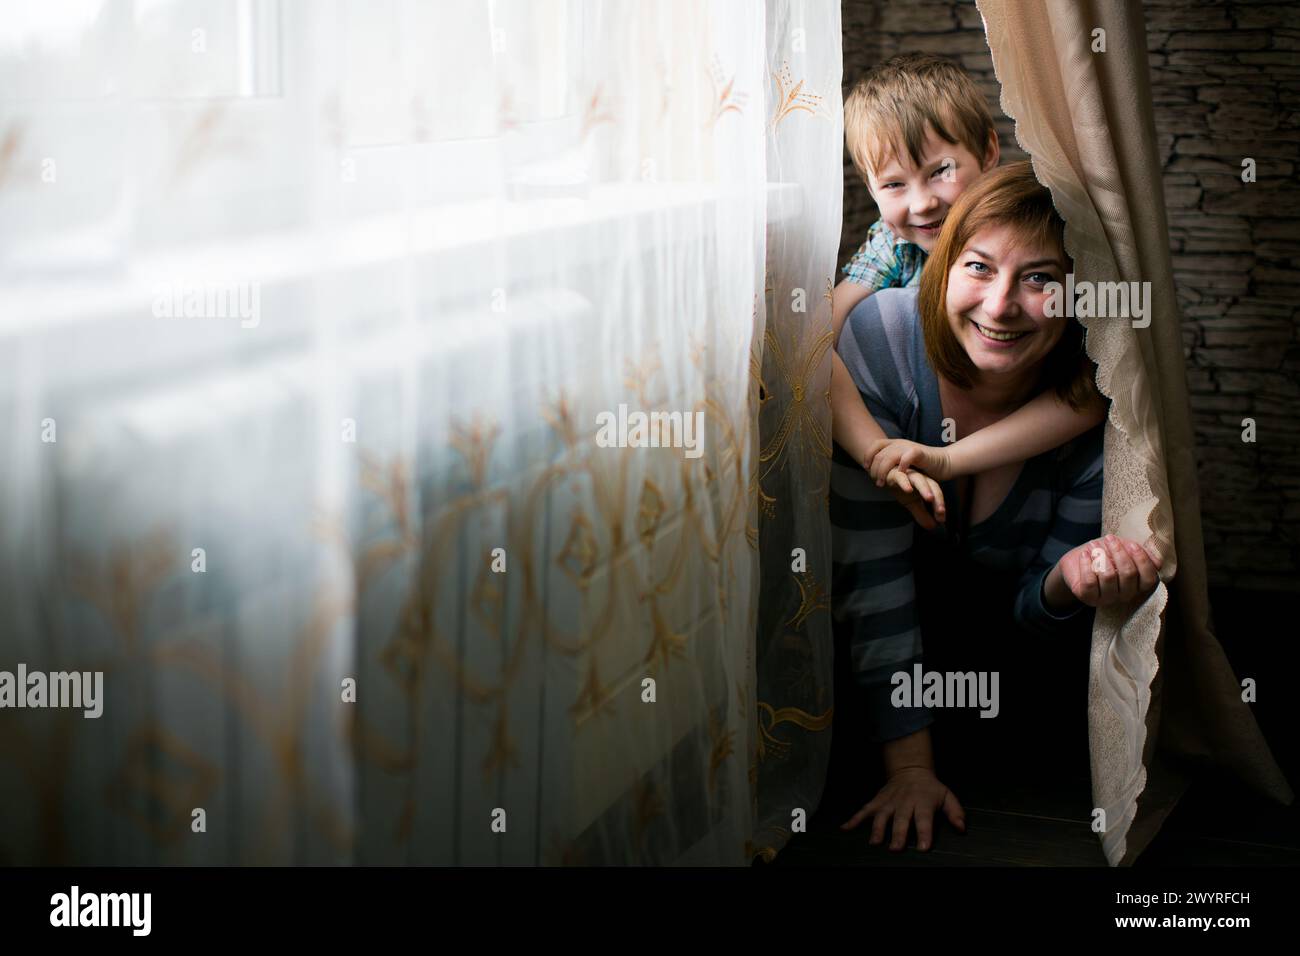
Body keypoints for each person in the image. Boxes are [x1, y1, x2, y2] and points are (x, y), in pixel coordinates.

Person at [830, 162, 1163, 851]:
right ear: (944, 265)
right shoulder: (882, 341)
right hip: (859, 680)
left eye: (1040, 279)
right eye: (979, 267)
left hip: (1009, 704)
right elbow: (871, 574)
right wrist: (911, 767)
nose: (1002, 304)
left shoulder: (1097, 418)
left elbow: (1029, 618)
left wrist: (1069, 584)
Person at [830, 54, 1107, 528]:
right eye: (895, 184)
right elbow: (812, 343)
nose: (923, 203)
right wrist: (876, 452)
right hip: (919, 441)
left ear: (989, 152)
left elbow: (1094, 391)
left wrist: (952, 460)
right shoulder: (892, 244)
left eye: (940, 171)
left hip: (1023, 451)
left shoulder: (1031, 223)